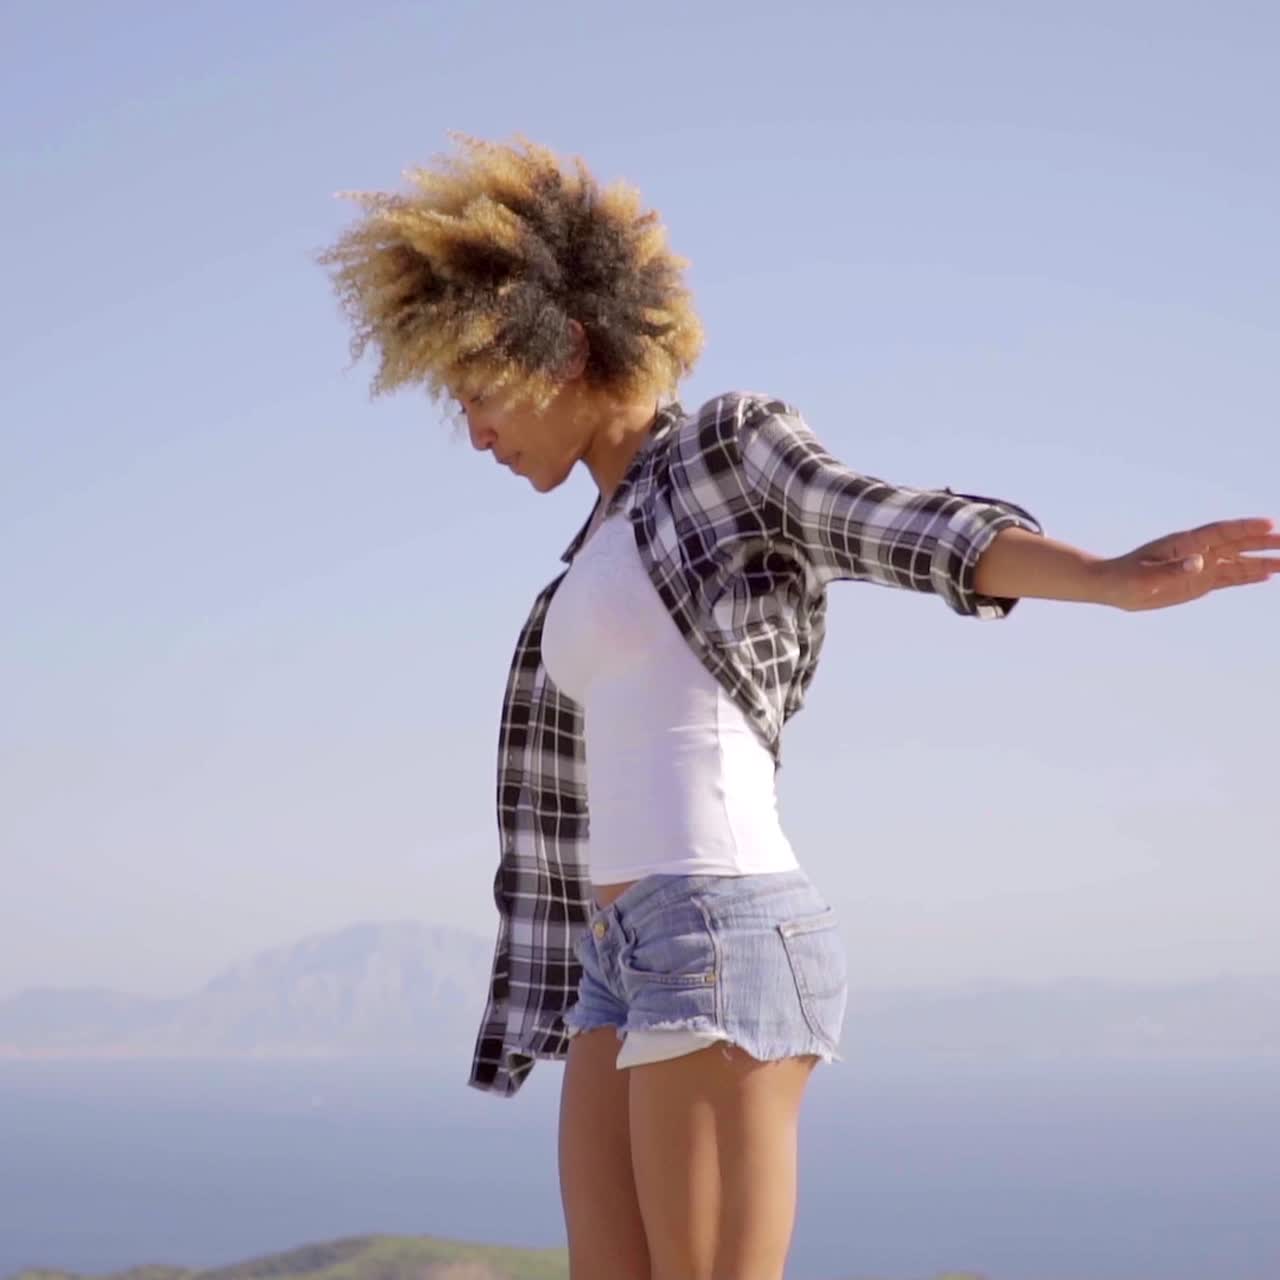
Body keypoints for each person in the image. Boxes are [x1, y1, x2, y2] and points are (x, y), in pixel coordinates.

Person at [317, 132, 1278, 1280]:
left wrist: (1112, 577)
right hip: (613, 955)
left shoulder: (721, 452)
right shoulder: (588, 549)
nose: (473, 430)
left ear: (563, 348)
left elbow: (886, 521)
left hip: (716, 929)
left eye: (477, 393)